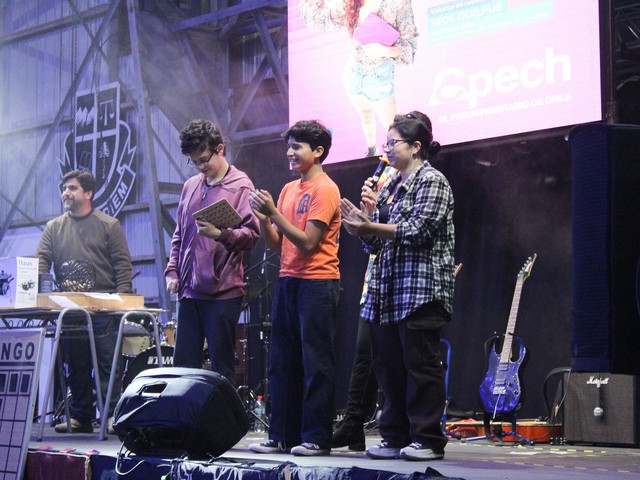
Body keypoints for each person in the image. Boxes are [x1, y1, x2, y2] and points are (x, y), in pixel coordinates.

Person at [340, 112, 454, 461]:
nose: (386, 149)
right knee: (389, 369)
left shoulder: (432, 181)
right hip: (387, 292)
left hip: (420, 291)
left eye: (393, 143)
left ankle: (427, 439)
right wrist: (362, 223)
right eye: (386, 143)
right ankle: (394, 436)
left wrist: (370, 226)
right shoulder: (389, 187)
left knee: (421, 368)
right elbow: (376, 245)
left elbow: (419, 230)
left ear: (416, 146)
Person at [248, 120, 341, 457]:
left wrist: (273, 212)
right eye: (289, 146)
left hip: (317, 282)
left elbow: (308, 242)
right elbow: (276, 244)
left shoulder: (325, 189)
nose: (289, 152)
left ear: (318, 152)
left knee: (316, 363)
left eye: (297, 146)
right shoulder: (289, 189)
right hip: (288, 280)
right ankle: (280, 436)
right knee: (281, 362)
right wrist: (264, 219)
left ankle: (316, 437)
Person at [35, 169, 133, 434]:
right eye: (64, 188)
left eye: (72, 188)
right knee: (76, 365)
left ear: (88, 193)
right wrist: (43, 295)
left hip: (104, 310)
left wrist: (121, 304)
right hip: (70, 309)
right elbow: (41, 262)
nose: (65, 193)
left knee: (107, 365)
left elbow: (123, 267)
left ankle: (111, 416)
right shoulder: (54, 227)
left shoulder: (109, 225)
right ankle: (81, 416)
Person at [165, 119, 260, 386]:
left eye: (204, 160)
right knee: (183, 368)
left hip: (222, 293)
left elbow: (252, 235)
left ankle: (224, 415)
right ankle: (185, 413)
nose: (200, 167)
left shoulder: (241, 186)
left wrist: (221, 234)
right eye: (194, 162)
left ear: (220, 149)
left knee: (222, 369)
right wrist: (172, 271)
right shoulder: (191, 186)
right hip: (189, 292)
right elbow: (180, 234)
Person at [300, 0, 417, 157]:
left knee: (396, 131)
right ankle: (372, 151)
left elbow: (410, 48)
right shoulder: (350, 2)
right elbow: (319, 20)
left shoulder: (398, 3)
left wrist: (385, 50)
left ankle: (403, 165)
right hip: (354, 72)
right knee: (365, 114)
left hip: (379, 75)